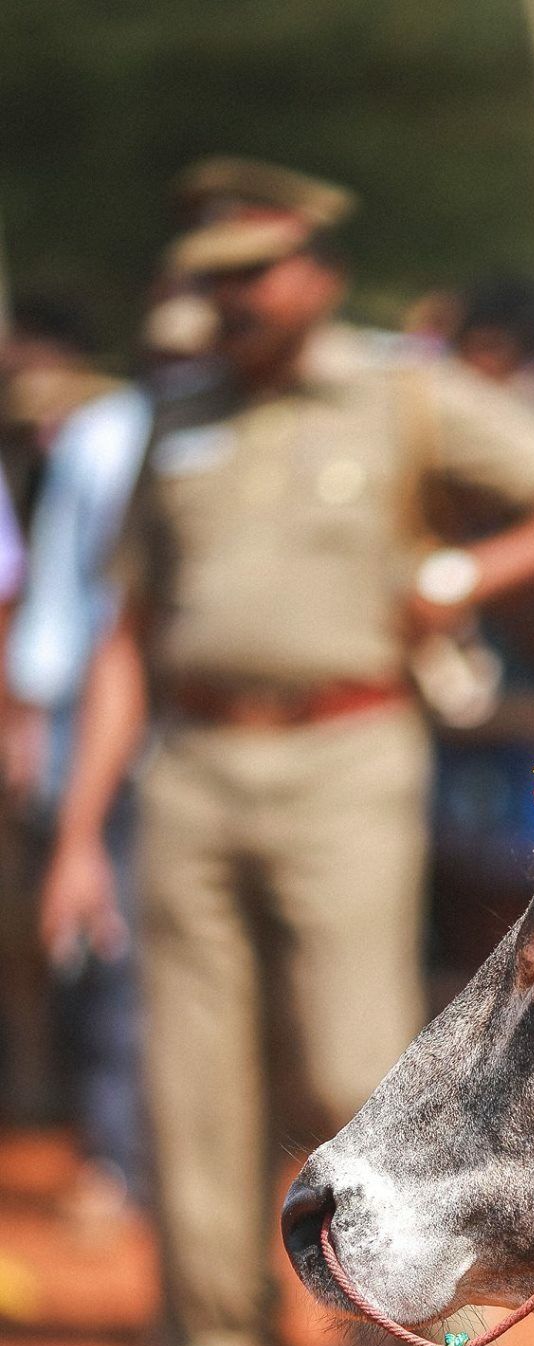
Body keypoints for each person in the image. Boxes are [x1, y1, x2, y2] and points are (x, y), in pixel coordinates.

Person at [41, 161, 534, 1346]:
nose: (231, 297)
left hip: (349, 757)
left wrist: (463, 574)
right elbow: (128, 635)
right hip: (189, 769)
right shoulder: (170, 422)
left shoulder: (403, 394)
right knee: (193, 1095)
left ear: (315, 271)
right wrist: (82, 832)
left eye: (254, 271)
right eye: (212, 277)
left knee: (351, 1070)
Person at [2, 290, 218, 1223]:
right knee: (107, 942)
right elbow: (60, 593)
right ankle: (118, 1155)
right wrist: (31, 707)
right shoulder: (106, 435)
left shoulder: (241, 436)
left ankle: (179, 1159)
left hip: (209, 729)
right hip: (99, 718)